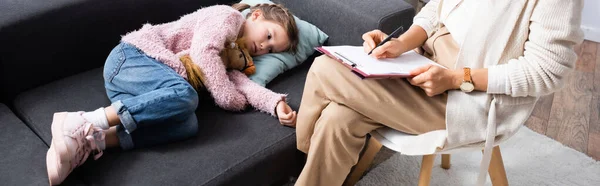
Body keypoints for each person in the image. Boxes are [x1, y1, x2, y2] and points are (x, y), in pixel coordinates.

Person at [294, 0, 584, 185]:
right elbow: (436, 10)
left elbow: (547, 71)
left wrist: (457, 79)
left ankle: (296, 156)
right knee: (336, 119)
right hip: (422, 64)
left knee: (325, 69)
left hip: (467, 97)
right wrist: (402, 44)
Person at [45, 3, 299, 185]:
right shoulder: (227, 17)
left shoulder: (236, 57)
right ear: (255, 15)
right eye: (269, 35)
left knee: (188, 124)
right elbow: (204, 52)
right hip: (131, 58)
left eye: (271, 49)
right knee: (187, 96)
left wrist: (275, 104)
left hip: (141, 90)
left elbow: (242, 84)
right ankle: (83, 121)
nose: (265, 46)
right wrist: (227, 98)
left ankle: (93, 141)